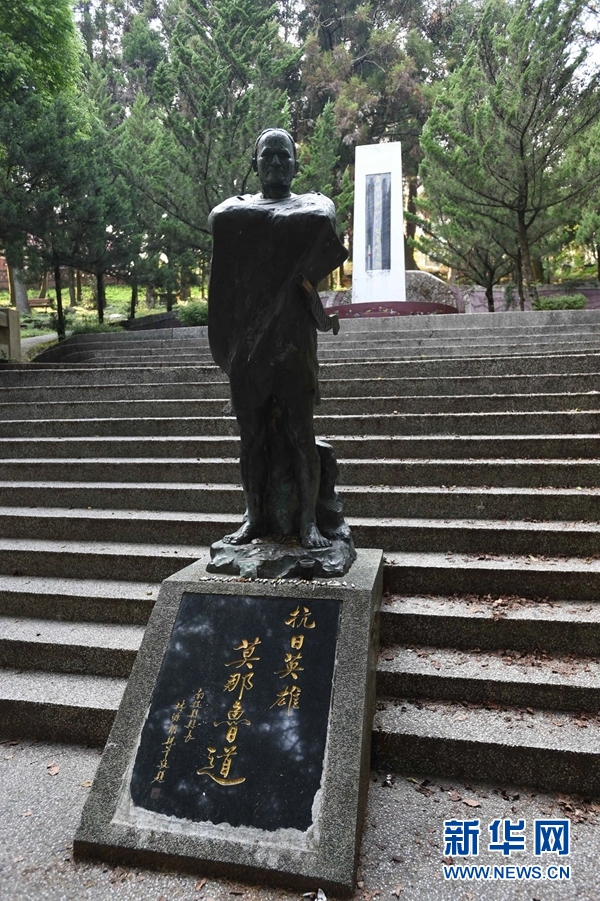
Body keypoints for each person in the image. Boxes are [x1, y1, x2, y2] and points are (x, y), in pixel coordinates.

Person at [208, 128, 348, 549]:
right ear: (254, 165)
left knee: (301, 435)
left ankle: (309, 523)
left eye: (284, 156)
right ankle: (254, 517)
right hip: (249, 345)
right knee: (250, 438)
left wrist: (266, 225)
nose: (275, 163)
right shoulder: (236, 208)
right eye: (267, 156)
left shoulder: (313, 203)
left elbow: (321, 219)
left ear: (296, 164)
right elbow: (219, 218)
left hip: (294, 341)